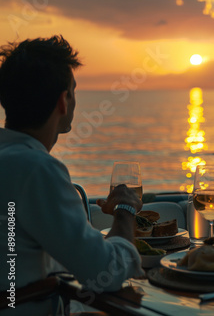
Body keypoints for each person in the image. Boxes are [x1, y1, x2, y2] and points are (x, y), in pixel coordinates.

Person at [0, 36, 143, 315]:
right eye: (73, 91)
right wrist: (126, 210)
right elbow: (106, 274)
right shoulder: (37, 169)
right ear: (63, 102)